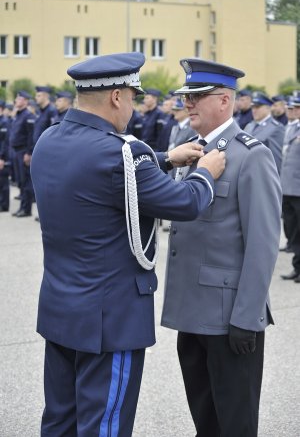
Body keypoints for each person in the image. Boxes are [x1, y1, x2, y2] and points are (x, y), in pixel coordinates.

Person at [30, 52, 226, 437]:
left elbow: (101, 167)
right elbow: (186, 203)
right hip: (109, 319)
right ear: (116, 97)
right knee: (105, 425)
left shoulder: (50, 139)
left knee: (60, 421)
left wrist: (165, 159)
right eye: (133, 98)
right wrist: (205, 173)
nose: (134, 108)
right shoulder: (123, 153)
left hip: (61, 310)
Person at [161, 58, 282, 437]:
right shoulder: (191, 150)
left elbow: (263, 245)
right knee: (206, 421)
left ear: (226, 102)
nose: (188, 104)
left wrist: (247, 318)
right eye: (186, 97)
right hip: (191, 313)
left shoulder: (251, 155)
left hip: (229, 319)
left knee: (235, 424)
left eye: (198, 96)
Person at [280, 96, 300, 281]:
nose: (292, 111)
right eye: (291, 108)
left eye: (296, 108)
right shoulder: (291, 127)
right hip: (286, 186)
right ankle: (297, 266)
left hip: (298, 188)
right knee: (291, 227)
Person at [244, 91, 285, 173]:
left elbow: (276, 161)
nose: (254, 110)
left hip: (263, 174)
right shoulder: (249, 126)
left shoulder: (276, 128)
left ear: (268, 107)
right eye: (253, 107)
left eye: (257, 107)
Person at [10, 91, 36, 217]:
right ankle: (22, 207)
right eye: (17, 98)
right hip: (16, 151)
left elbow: (31, 136)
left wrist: (29, 153)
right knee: (20, 181)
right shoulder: (18, 115)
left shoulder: (28, 116)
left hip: (23, 151)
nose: (17, 101)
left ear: (26, 101)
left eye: (19, 98)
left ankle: (26, 209)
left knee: (25, 181)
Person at [0, 100, 10, 211]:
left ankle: (4, 205)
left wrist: (2, 157)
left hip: (3, 157)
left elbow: (5, 142)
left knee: (3, 182)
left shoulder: (4, 122)